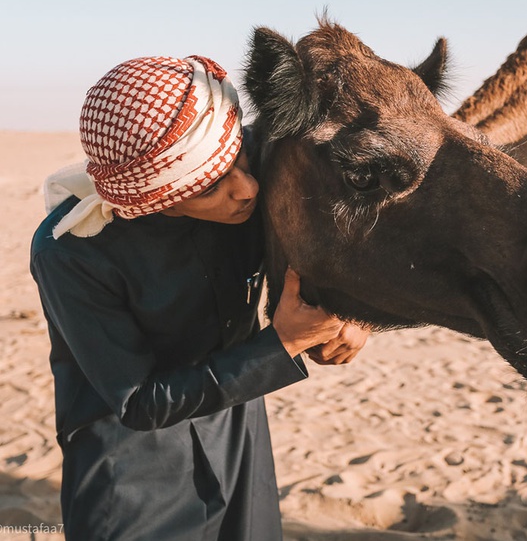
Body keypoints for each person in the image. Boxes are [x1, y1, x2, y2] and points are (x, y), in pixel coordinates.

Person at [30, 55, 368, 540]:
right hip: (133, 468)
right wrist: (283, 343)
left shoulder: (234, 149)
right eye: (210, 186)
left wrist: (355, 315)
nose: (247, 188)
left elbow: (367, 221)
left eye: (241, 160)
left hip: (239, 430)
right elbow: (138, 402)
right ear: (154, 199)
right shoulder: (71, 254)